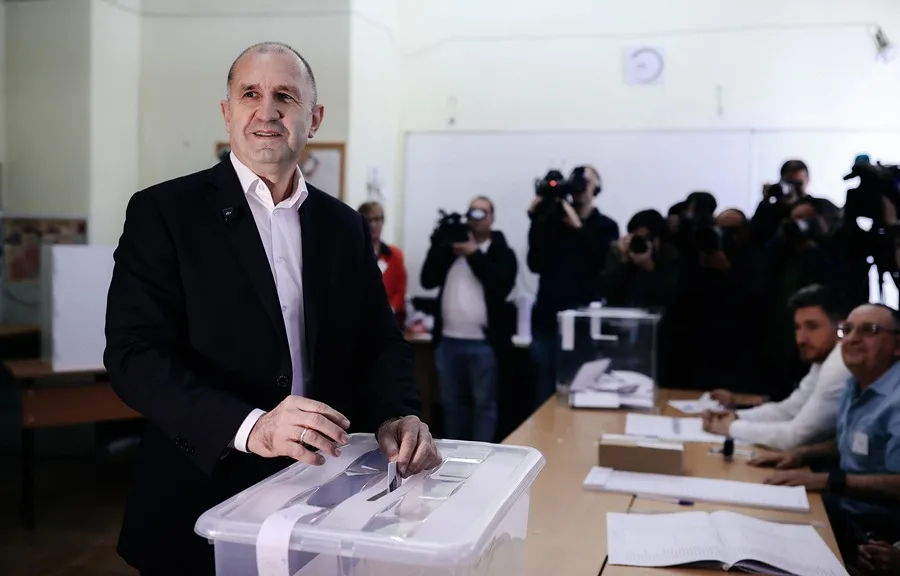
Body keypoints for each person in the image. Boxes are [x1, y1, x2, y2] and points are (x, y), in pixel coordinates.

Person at [104, 42, 440, 576]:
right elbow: (134, 355)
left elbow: (380, 341)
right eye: (250, 95)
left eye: (285, 96)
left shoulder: (343, 225)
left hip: (327, 491)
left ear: (315, 117)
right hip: (201, 493)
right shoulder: (163, 212)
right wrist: (251, 426)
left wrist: (399, 412)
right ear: (227, 111)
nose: (267, 111)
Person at [749, 304, 900, 566]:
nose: (852, 339)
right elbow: (852, 442)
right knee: (756, 514)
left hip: (880, 533)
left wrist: (829, 480)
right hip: (847, 511)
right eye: (847, 330)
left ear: (898, 345)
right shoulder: (854, 383)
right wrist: (802, 454)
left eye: (869, 330)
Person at [702, 284, 850, 450]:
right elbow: (789, 410)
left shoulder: (840, 365)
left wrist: (731, 427)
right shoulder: (824, 358)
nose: (801, 339)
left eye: (812, 327)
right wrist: (736, 416)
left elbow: (795, 436)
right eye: (797, 328)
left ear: (842, 329)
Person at [420, 197, 517, 441]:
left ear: (492, 218)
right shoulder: (451, 250)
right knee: (452, 405)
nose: (476, 218)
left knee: (484, 405)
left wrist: (474, 254)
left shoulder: (501, 251)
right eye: (471, 212)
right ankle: (455, 456)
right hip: (448, 341)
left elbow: (500, 285)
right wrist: (438, 245)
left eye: (482, 213)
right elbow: (427, 280)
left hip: (483, 343)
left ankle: (483, 456)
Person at [527, 165, 619, 403]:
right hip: (548, 318)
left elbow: (601, 263)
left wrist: (578, 227)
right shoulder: (552, 222)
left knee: (580, 389)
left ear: (596, 188)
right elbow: (535, 263)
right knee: (543, 388)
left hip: (583, 323)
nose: (578, 188)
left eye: (585, 182)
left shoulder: (605, 226)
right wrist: (537, 220)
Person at [359, 201, 407, 328]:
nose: (373, 225)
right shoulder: (353, 253)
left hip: (387, 321)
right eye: (368, 220)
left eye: (377, 219)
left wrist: (390, 309)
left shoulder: (394, 255)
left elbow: (400, 289)